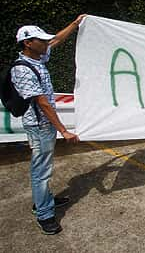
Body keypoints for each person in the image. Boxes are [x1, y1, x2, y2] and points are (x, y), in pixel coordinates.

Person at [11, 14, 86, 235]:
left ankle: (43, 201)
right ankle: (44, 214)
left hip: (45, 125)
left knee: (43, 168)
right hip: (39, 126)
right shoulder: (22, 69)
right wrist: (63, 130)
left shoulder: (38, 58)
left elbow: (56, 41)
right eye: (41, 40)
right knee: (41, 171)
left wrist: (74, 24)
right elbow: (42, 103)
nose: (46, 44)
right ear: (28, 43)